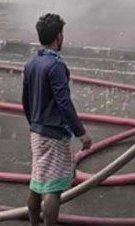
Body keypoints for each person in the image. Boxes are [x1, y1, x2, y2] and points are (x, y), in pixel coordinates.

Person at [22, 14, 92, 226]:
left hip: (37, 131)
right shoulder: (56, 66)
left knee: (37, 181)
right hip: (54, 134)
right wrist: (82, 133)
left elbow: (25, 100)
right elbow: (64, 104)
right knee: (53, 188)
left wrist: (34, 123)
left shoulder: (31, 63)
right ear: (58, 36)